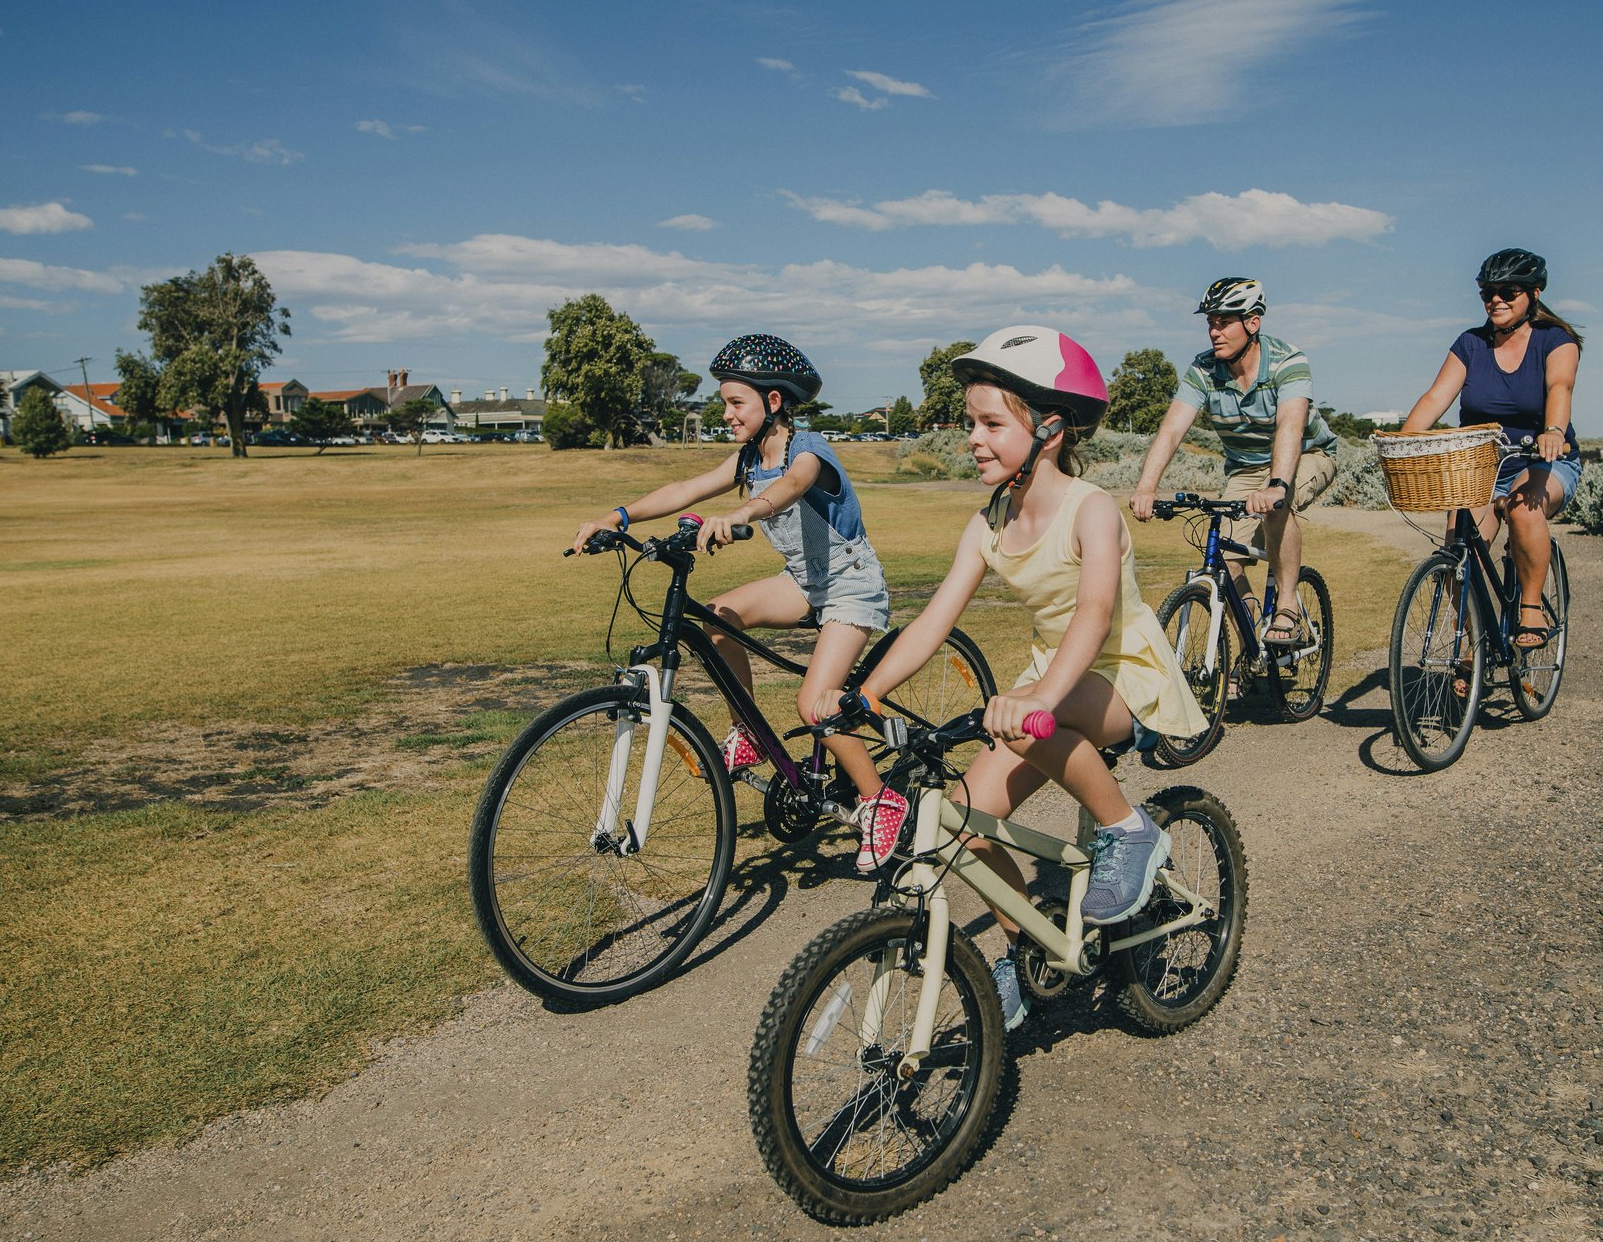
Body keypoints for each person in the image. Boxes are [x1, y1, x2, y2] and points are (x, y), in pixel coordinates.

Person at [856, 326, 1209, 1030]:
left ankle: (1129, 828)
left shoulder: (1092, 508)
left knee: (1027, 724)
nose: (974, 440)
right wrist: (864, 691)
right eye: (971, 424)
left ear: (1049, 428)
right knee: (966, 828)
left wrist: (1042, 695)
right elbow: (932, 620)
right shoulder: (989, 519)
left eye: (991, 424)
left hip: (1121, 673)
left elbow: (1095, 610)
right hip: (1049, 683)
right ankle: (1026, 954)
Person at [570, 334, 908, 870]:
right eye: (724, 402)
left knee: (815, 704)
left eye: (736, 402)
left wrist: (743, 515)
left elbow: (794, 486)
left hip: (850, 585)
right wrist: (618, 517)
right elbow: (686, 489)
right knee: (717, 618)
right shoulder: (748, 458)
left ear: (773, 402)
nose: (725, 412)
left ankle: (879, 800)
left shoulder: (808, 449)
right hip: (802, 580)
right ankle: (747, 733)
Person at [1129, 278, 1338, 644]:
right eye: (1210, 322)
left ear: (1253, 323)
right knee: (1223, 551)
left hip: (1307, 454)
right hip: (1245, 469)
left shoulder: (1288, 361)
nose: (1214, 331)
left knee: (1277, 506)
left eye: (1224, 322)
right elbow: (1171, 431)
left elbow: (1289, 428)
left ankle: (1287, 604)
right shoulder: (1204, 370)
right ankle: (1251, 627)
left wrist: (1277, 485)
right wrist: (1147, 486)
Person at [1399, 248, 1582, 658]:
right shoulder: (1471, 344)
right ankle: (1472, 641)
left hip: (1544, 460)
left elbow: (1560, 389)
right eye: (1488, 293)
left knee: (1522, 509)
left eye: (1508, 291)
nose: (1495, 300)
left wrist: (1552, 431)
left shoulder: (1557, 341)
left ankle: (1531, 609)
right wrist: (1405, 441)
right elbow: (1434, 398)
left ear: (1533, 294)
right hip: (1481, 467)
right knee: (1458, 549)